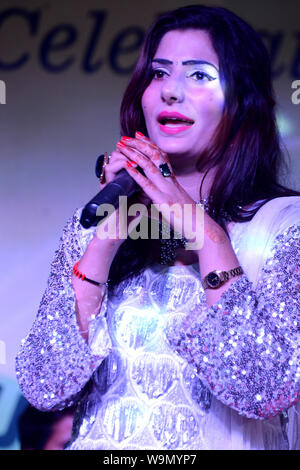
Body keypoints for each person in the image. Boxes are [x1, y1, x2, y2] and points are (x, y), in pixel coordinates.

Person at [15, 5, 300, 450]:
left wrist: (207, 236)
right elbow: (43, 386)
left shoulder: (281, 227)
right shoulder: (97, 225)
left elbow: (264, 389)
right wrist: (104, 241)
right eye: (159, 73)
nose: (170, 92)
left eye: (199, 75)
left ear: (244, 101)